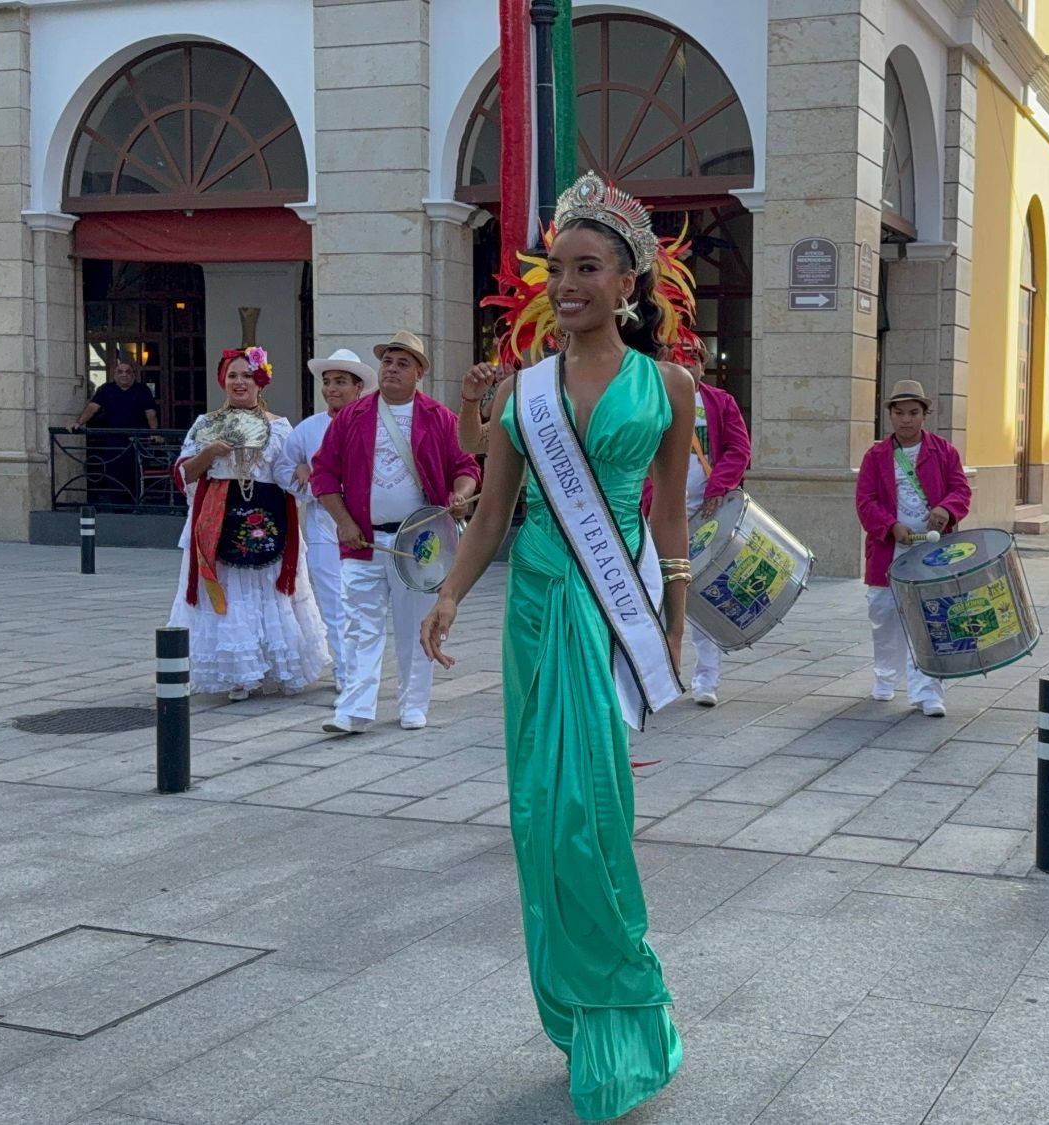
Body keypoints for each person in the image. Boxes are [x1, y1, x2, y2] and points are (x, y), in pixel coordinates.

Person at [419, 172, 696, 1121]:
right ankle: (581, 1015)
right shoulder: (523, 391)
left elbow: (668, 508)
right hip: (537, 608)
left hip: (613, 606)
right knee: (541, 812)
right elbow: (493, 512)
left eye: (589, 268)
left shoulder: (671, 387)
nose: (567, 285)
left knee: (596, 812)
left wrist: (678, 615)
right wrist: (452, 594)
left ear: (631, 283)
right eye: (558, 270)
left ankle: (628, 1014)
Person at [311, 331, 480, 734]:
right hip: (362, 542)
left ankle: (413, 706)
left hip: (420, 545)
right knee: (358, 625)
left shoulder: (439, 418)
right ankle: (354, 709)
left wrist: (460, 494)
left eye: (403, 363)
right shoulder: (352, 416)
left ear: (419, 373)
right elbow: (323, 474)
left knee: (416, 625)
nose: (391, 369)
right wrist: (344, 522)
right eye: (387, 361)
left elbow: (467, 468)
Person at [167, 347, 328, 701]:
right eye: (233, 375)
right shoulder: (205, 425)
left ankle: (272, 666)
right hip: (218, 515)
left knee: (268, 588)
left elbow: (287, 473)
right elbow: (183, 476)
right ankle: (237, 673)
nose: (239, 382)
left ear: (261, 380)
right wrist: (208, 454)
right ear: (223, 380)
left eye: (246, 375)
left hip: (269, 513)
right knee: (228, 587)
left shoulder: (280, 426)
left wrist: (302, 470)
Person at [855, 380, 972, 719]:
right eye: (900, 413)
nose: (906, 420)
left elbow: (961, 491)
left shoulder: (944, 452)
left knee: (931, 617)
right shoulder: (876, 456)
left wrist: (947, 509)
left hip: (933, 552)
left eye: (914, 413)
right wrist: (890, 526)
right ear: (889, 415)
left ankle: (928, 691)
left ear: (925, 415)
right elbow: (865, 501)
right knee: (884, 614)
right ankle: (885, 677)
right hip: (888, 548)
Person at [286, 348, 372, 670]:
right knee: (334, 601)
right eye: (327, 381)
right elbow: (285, 465)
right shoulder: (308, 428)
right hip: (324, 524)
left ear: (358, 387)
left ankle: (364, 666)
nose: (331, 389)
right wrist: (302, 473)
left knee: (364, 602)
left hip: (367, 525)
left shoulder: (374, 424)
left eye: (340, 382)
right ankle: (345, 670)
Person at [675, 358, 750, 706]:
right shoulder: (653, 399)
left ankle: (706, 679)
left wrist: (717, 489)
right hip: (660, 513)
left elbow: (738, 450)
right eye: (678, 355)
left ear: (703, 366)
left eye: (692, 356)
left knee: (704, 597)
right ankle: (658, 678)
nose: (685, 363)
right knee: (656, 599)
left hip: (709, 516)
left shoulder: (720, 402)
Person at [69, 360, 159, 504]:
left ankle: (135, 505)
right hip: (113, 441)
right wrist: (79, 423)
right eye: (120, 372)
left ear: (133, 375)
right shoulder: (106, 389)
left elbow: (151, 413)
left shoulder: (142, 390)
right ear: (114, 375)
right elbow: (92, 408)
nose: (124, 375)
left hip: (136, 442)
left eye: (127, 371)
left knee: (134, 474)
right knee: (113, 474)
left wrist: (155, 433)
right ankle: (117, 506)